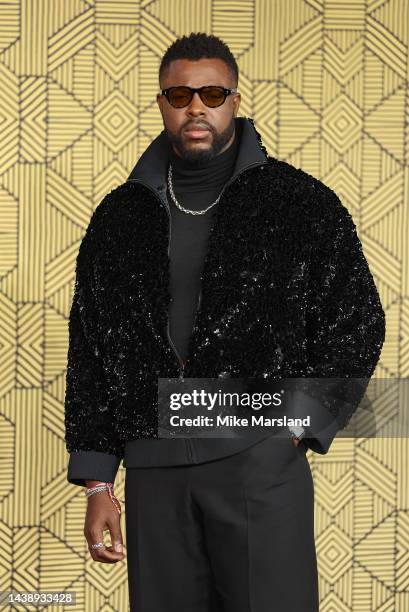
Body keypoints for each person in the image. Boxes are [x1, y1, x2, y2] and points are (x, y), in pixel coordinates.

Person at [64, 32, 385, 611]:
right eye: (179, 94)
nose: (196, 107)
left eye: (212, 93)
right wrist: (98, 480)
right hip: (153, 466)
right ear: (161, 102)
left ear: (235, 99)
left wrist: (299, 424)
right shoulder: (118, 216)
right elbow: (90, 348)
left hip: (257, 458)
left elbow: (356, 318)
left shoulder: (299, 202)